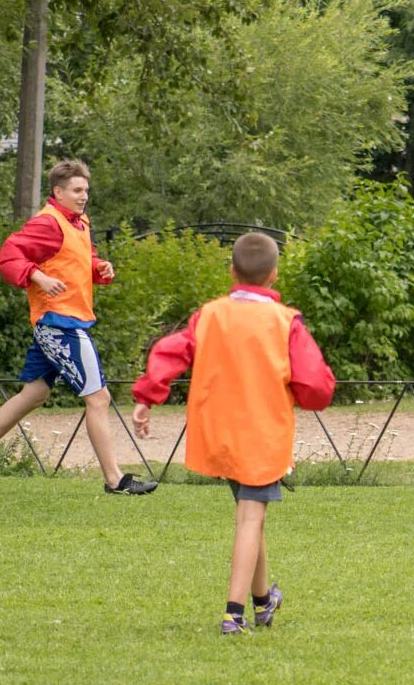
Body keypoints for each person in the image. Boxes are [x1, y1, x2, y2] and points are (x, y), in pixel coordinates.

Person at [131, 232, 336, 635]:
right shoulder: (284, 322)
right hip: (262, 434)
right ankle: (233, 613)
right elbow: (316, 384)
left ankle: (264, 603)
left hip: (219, 431)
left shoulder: (209, 314)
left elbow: (172, 352)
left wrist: (147, 395)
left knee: (251, 514)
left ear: (232, 272)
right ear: (274, 274)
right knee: (249, 517)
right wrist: (306, 395)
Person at [0, 160, 156, 495]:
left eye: (86, 190)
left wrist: (99, 267)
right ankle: (115, 480)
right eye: (77, 190)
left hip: (63, 320)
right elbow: (8, 256)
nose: (84, 196)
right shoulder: (48, 222)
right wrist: (37, 276)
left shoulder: (77, 223)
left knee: (35, 393)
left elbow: (76, 259)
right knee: (98, 397)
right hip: (60, 323)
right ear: (58, 192)